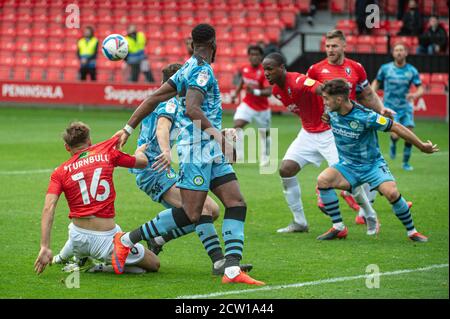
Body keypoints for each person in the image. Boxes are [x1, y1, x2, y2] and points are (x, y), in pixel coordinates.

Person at [111, 24, 264, 285]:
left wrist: (128, 127)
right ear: (214, 44)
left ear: (192, 44)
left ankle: (231, 269)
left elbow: (153, 98)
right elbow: (193, 109)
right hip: (197, 150)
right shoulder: (201, 71)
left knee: (236, 202)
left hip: (208, 149)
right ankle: (126, 239)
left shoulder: (186, 68)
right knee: (193, 213)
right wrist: (220, 137)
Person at [262, 53, 379, 236]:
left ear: (282, 67)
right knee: (286, 169)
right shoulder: (277, 91)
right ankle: (300, 222)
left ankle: (369, 214)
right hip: (308, 134)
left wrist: (329, 112)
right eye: (264, 69)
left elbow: (323, 89)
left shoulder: (298, 81)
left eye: (270, 69)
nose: (266, 73)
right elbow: (302, 109)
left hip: (328, 134)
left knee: (348, 179)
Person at [129, 63, 225, 270]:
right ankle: (219, 261)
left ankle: (158, 240)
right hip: (154, 168)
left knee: (213, 210)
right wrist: (165, 150)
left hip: (157, 167)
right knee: (202, 210)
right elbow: (163, 126)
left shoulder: (167, 101)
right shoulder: (170, 102)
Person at [316, 79, 437, 242]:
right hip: (347, 166)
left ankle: (412, 232)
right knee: (323, 180)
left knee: (392, 193)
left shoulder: (366, 116)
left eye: (326, 98)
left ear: (338, 100)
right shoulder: (331, 110)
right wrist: (327, 118)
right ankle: (339, 227)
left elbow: (395, 127)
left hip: (372, 166)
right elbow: (329, 117)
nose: (324, 102)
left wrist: (422, 146)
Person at [34, 122, 160, 275]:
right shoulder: (107, 153)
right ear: (90, 141)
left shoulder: (59, 172)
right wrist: (140, 151)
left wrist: (44, 246)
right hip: (105, 242)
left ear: (67, 147)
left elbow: (49, 208)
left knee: (79, 227)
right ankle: (98, 267)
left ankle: (68, 256)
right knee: (154, 264)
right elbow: (142, 163)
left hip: (77, 237)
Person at [307, 29, 393, 226]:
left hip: (355, 127)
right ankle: (355, 208)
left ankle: (364, 209)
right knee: (345, 169)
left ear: (344, 46)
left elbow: (368, 94)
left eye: (334, 46)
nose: (330, 49)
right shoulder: (315, 69)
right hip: (329, 127)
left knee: (362, 166)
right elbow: (307, 94)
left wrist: (381, 109)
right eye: (327, 46)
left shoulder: (356, 68)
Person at [372, 43, 424, 171]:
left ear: (406, 53)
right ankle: (393, 142)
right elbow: (376, 82)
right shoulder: (385, 68)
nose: (399, 52)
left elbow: (420, 88)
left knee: (410, 133)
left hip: (405, 107)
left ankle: (405, 163)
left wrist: (415, 94)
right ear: (393, 53)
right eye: (396, 50)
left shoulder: (412, 70)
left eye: (401, 50)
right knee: (396, 135)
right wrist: (373, 94)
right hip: (390, 107)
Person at [231, 45, 272, 167]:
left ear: (261, 57)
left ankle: (265, 156)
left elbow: (269, 92)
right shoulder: (245, 69)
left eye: (257, 54)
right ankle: (239, 153)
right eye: (252, 54)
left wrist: (254, 91)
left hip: (262, 109)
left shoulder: (264, 72)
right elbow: (242, 81)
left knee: (265, 134)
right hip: (247, 104)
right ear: (249, 56)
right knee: (237, 125)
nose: (254, 57)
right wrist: (236, 94)